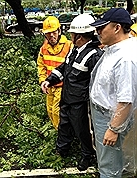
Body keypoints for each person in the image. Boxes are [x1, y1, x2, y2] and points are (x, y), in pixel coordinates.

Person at [41, 14, 103, 171]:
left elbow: (98, 84)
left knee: (83, 131)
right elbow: (64, 68)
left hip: (81, 104)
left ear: (79, 36)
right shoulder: (75, 50)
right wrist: (50, 80)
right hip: (67, 98)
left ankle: (87, 156)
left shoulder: (94, 55)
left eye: (72, 33)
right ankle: (62, 150)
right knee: (65, 126)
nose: (70, 36)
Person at [89, 8, 137, 177]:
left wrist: (113, 129)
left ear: (117, 28)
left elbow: (126, 100)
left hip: (110, 118)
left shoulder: (125, 58)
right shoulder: (115, 48)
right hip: (104, 114)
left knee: (110, 166)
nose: (97, 32)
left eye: (102, 27)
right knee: (109, 159)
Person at [37, 16, 73, 130]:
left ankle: (62, 136)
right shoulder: (44, 48)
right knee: (50, 111)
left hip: (63, 87)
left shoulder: (69, 46)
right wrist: (42, 81)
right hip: (49, 87)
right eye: (48, 33)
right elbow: (41, 66)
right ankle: (59, 134)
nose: (51, 36)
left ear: (59, 30)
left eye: (54, 32)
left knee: (58, 112)